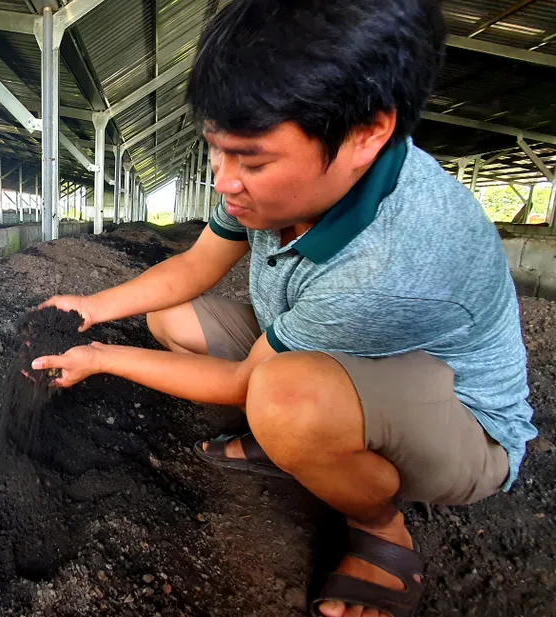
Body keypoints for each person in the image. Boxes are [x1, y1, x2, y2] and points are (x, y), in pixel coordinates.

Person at [31, 1, 536, 616]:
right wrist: (94, 305)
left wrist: (105, 356)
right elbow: (196, 265)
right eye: (217, 151)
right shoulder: (264, 187)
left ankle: (380, 533)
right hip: (321, 344)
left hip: (460, 420)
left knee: (281, 400)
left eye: (253, 160)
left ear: (366, 134)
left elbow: (248, 381)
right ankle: (300, 440)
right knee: (171, 317)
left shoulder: (395, 261)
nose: (224, 180)